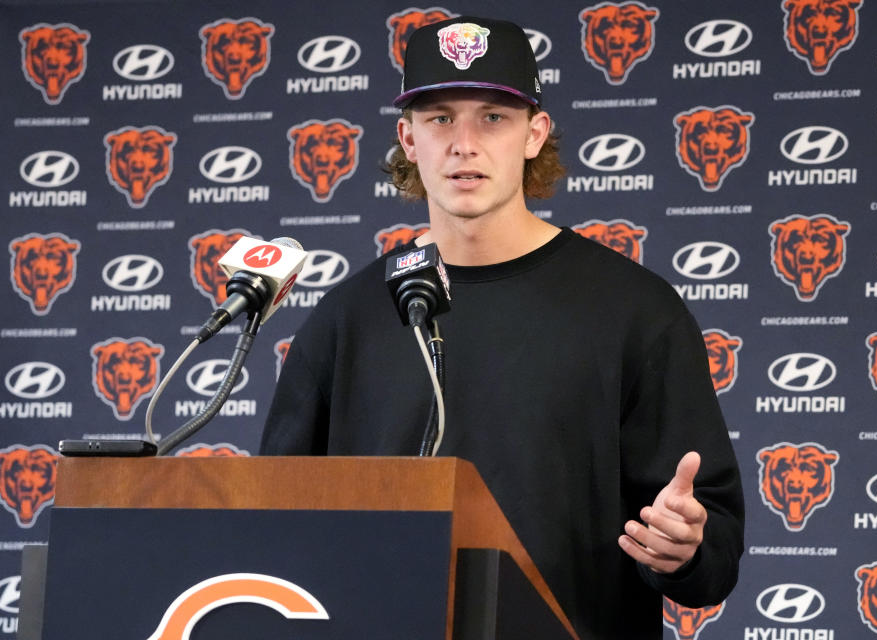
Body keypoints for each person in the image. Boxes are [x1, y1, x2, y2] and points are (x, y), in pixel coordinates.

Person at [261, 16, 744, 639]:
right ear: (408, 140)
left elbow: (714, 545)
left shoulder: (636, 310)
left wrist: (684, 550)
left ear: (534, 134)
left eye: (493, 116)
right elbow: (274, 523)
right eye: (440, 118)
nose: (464, 142)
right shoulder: (347, 317)